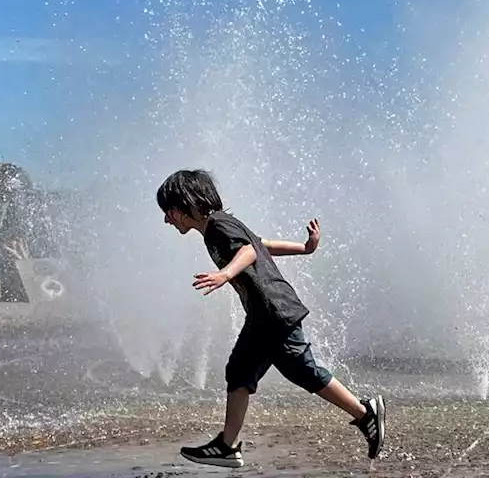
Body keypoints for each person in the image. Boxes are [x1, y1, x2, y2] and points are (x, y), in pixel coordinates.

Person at [156, 169, 385, 468]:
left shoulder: (217, 226)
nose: (166, 220)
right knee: (239, 371)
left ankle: (365, 413)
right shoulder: (222, 225)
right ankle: (227, 446)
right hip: (262, 315)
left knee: (302, 370)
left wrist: (225, 274)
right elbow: (261, 244)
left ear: (186, 203)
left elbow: (250, 251)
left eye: (168, 211)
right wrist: (304, 249)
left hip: (274, 312)